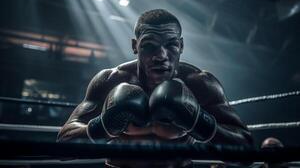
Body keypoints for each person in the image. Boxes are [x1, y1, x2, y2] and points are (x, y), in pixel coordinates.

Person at [57, 9, 253, 167]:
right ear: (135, 46)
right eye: (149, 45)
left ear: (181, 46)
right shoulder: (111, 80)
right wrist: (104, 125)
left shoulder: (200, 84)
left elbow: (247, 152)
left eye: (171, 45)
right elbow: (63, 145)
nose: (161, 55)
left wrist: (199, 122)